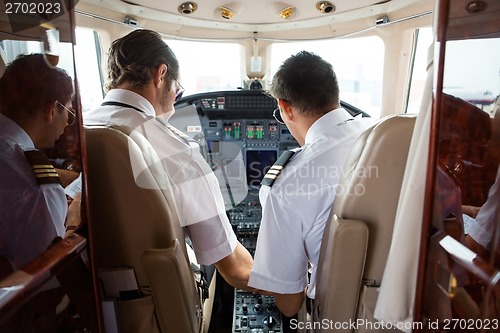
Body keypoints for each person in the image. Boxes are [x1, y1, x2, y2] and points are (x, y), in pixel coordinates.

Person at [83, 29, 253, 289]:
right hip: (166, 301)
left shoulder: (80, 130)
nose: (175, 100)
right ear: (161, 74)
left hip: (89, 295)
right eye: (178, 91)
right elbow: (235, 270)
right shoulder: (177, 150)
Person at [247, 51, 374, 316]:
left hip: (340, 315)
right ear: (334, 94)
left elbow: (290, 304)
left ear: (285, 108)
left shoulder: (285, 186)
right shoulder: (385, 134)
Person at [0, 53, 82, 332]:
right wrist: (73, 224)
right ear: (51, 110)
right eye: (68, 113)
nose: (66, 125)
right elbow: (50, 289)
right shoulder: (36, 187)